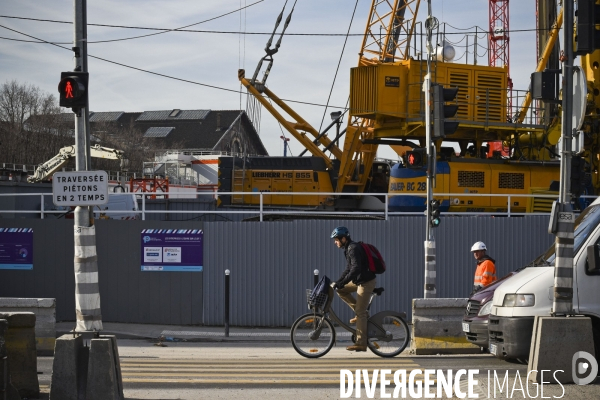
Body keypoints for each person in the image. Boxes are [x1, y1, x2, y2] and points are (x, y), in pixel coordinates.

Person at [330, 226, 376, 352]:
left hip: (366, 282)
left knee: (360, 313)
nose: (335, 242)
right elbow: (348, 269)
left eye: (336, 240)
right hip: (359, 280)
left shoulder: (353, 248)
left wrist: (343, 281)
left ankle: (361, 343)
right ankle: (361, 314)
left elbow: (355, 269)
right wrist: (339, 282)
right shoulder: (349, 248)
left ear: (343, 238)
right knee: (341, 290)